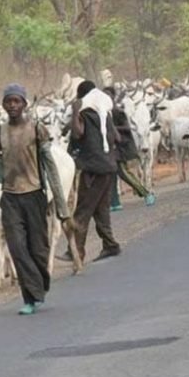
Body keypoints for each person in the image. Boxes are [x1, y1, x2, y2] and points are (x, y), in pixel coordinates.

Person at [0, 83, 71, 316]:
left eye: (16, 101)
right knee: (18, 248)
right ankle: (31, 297)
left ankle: (39, 284)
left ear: (24, 104)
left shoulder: (36, 129)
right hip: (10, 199)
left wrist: (61, 204)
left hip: (34, 195)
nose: (12, 105)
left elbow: (49, 165)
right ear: (3, 105)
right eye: (8, 101)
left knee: (38, 249)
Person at [69, 80, 122, 263]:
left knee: (82, 211)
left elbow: (77, 133)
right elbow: (117, 137)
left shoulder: (85, 113)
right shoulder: (104, 114)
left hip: (93, 169)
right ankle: (110, 245)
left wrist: (75, 111)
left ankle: (76, 251)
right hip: (109, 167)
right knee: (101, 209)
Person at [103, 86, 156, 210]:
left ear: (113, 97)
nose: (106, 98)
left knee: (124, 174)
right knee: (110, 176)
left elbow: (127, 128)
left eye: (108, 95)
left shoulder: (117, 112)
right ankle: (115, 203)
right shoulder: (104, 112)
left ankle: (146, 193)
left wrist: (113, 128)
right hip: (109, 148)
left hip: (120, 148)